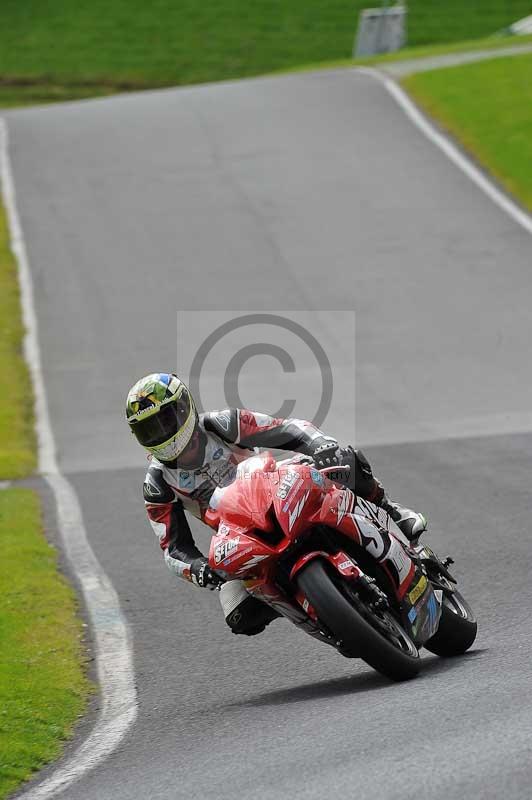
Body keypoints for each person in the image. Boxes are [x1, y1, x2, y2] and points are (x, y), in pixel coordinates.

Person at [126, 373, 427, 636]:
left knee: (345, 462)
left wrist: (320, 445)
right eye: (149, 430)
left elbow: (288, 429)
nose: (161, 435)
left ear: (183, 408)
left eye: (165, 422)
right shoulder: (157, 484)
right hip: (240, 532)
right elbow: (173, 547)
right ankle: (323, 610)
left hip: (278, 485)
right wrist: (198, 569)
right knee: (241, 616)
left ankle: (391, 512)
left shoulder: (221, 424)